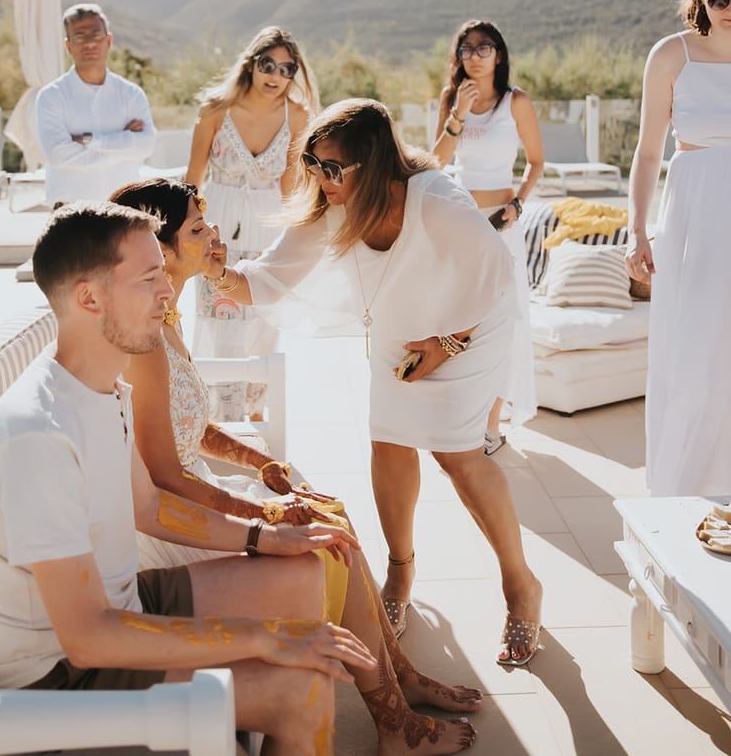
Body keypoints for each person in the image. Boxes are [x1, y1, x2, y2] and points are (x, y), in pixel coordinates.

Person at [0, 201, 376, 755]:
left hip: (121, 606)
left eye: (164, 271)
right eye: (149, 277)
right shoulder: (38, 435)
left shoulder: (106, 387)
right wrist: (264, 637)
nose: (167, 291)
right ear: (88, 297)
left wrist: (266, 535)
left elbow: (150, 506)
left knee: (302, 571)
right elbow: (86, 639)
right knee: (298, 688)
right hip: (54, 675)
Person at [110, 177, 483, 753]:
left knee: (329, 511)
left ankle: (399, 678)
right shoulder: (144, 340)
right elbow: (163, 473)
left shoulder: (169, 320)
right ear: (158, 250)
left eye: (207, 223)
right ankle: (394, 719)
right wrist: (261, 514)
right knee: (327, 536)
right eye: (197, 229)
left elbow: (188, 424)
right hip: (167, 519)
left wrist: (262, 464)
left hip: (191, 490)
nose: (214, 234)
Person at [199, 99, 543, 667]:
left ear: (375, 161)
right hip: (398, 333)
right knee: (388, 444)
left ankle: (519, 585)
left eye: (333, 167)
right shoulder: (333, 204)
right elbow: (267, 278)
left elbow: (497, 279)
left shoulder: (439, 202)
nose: (320, 178)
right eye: (313, 163)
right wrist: (211, 269)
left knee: (458, 457)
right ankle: (400, 572)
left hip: (470, 328)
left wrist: (447, 344)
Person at [626, 0, 731, 496]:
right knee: (696, 351)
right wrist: (638, 230)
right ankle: (687, 489)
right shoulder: (673, 54)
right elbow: (648, 152)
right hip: (695, 215)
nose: (730, 9)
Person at [186, 26, 319, 421]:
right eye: (268, 65)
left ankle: (256, 412)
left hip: (268, 228)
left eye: (287, 68)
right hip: (218, 225)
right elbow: (192, 181)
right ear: (251, 63)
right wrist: (186, 235)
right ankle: (215, 417)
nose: (276, 76)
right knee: (219, 322)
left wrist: (298, 242)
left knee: (263, 323)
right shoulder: (214, 110)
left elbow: (292, 185)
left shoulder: (297, 116)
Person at [433, 20, 544, 450]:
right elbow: (437, 162)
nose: (475, 56)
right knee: (460, 319)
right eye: (466, 49)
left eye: (484, 48)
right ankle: (463, 415)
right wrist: (458, 113)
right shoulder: (452, 99)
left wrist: (519, 203)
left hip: (501, 224)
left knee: (502, 319)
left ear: (499, 54)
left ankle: (492, 425)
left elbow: (537, 161)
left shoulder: (516, 102)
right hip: (460, 221)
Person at [36, 3, 156, 205]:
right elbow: (58, 155)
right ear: (68, 46)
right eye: (80, 36)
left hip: (125, 210)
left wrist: (89, 141)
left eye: (96, 35)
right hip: (70, 212)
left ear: (108, 40)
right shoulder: (51, 96)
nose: (89, 43)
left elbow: (145, 146)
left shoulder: (131, 94)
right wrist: (121, 146)